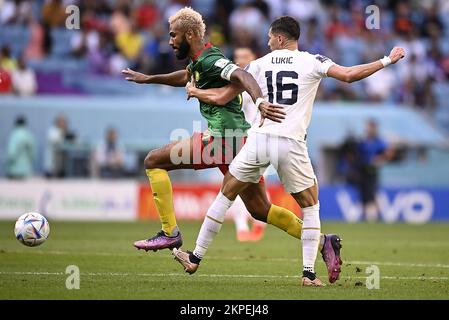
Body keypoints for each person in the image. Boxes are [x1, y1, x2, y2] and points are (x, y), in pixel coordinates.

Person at [172, 16, 405, 286]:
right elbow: (349, 76)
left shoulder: (257, 65)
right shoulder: (313, 60)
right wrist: (387, 60)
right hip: (291, 142)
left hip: (259, 140)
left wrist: (197, 92)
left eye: (270, 37)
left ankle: (195, 257)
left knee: (226, 194)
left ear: (280, 38)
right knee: (310, 205)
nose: (268, 41)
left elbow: (224, 96)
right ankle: (308, 274)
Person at [122, 8, 340, 282]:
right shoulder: (199, 60)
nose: (170, 41)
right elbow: (186, 77)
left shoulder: (211, 59)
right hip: (237, 140)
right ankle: (322, 241)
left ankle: (170, 234)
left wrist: (259, 102)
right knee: (260, 210)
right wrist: (149, 79)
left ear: (189, 34)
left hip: (224, 138)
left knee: (153, 161)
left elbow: (241, 75)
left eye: (173, 35)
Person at [229, 46, 266, 242]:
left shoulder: (260, 81)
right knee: (238, 184)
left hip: (259, 139)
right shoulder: (233, 82)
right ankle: (243, 227)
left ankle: (257, 222)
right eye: (237, 57)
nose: (239, 60)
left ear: (253, 58)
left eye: (244, 56)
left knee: (244, 184)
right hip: (238, 139)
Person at [356, 120, 394, 222]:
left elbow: (389, 152)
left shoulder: (378, 141)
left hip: (372, 171)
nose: (367, 130)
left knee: (371, 192)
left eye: (369, 127)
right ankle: (367, 215)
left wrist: (379, 159)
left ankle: (372, 216)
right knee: (363, 193)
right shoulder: (363, 141)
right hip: (362, 170)